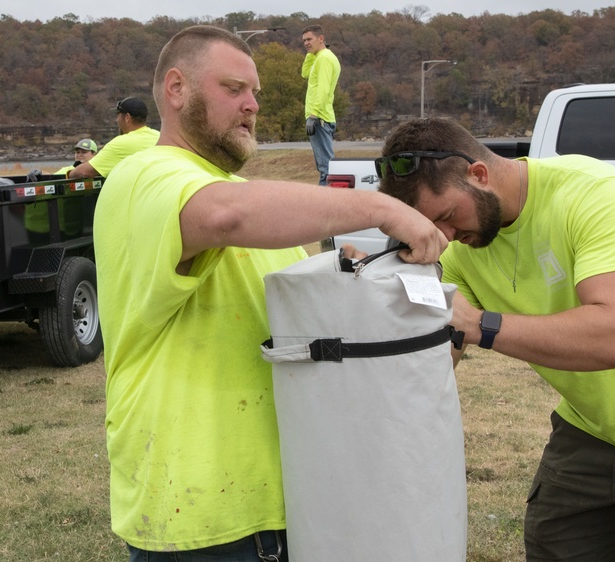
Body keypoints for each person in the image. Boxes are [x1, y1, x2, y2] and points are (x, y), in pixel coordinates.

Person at [93, 25, 446, 562]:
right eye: (234, 89)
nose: (252, 105)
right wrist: (381, 209)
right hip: (203, 519)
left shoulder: (244, 200)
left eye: (254, 93)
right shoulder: (145, 175)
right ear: (176, 88)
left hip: (288, 504)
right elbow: (224, 216)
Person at [377, 117, 615, 561]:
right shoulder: (459, 248)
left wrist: (481, 324)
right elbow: (434, 359)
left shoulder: (598, 194)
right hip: (589, 430)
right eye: (429, 229)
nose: (444, 237)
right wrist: (370, 293)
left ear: (478, 174)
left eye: (444, 217)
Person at [68, 97, 160, 179]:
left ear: (127, 117)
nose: (117, 120)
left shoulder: (120, 144)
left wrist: (70, 174)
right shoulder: (159, 136)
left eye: (118, 115)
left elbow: (85, 172)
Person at [301, 24, 340, 186]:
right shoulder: (320, 57)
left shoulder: (324, 58)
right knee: (325, 167)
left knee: (326, 168)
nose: (306, 43)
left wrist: (313, 115)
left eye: (309, 39)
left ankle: (327, 207)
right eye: (304, 41)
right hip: (322, 116)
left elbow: (323, 89)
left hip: (319, 118)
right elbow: (305, 74)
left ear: (321, 38)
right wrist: (311, 54)